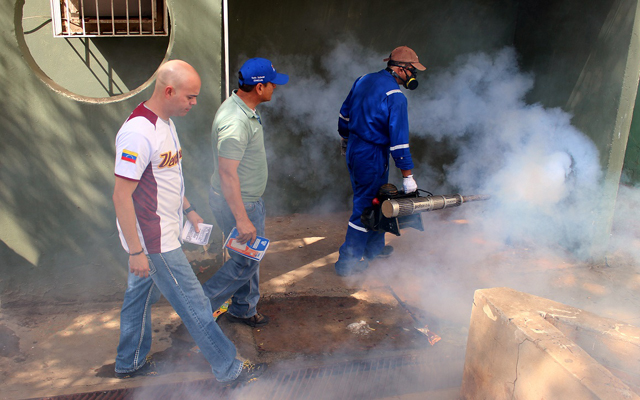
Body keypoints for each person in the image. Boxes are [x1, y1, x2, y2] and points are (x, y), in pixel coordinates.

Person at [112, 59, 265, 383]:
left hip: (163, 230)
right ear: (169, 91)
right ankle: (229, 369)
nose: (194, 104)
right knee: (195, 305)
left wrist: (188, 209)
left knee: (138, 298)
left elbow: (164, 178)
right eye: (190, 97)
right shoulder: (138, 133)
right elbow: (121, 196)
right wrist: (136, 252)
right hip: (154, 242)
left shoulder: (164, 121)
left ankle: (130, 362)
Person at [203, 58, 288, 328]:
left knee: (248, 255)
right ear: (260, 87)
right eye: (272, 83)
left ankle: (243, 308)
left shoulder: (241, 107)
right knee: (245, 262)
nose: (276, 87)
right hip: (239, 203)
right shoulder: (236, 121)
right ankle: (198, 307)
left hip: (243, 200)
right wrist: (242, 217)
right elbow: (228, 173)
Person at [334, 46, 426, 277]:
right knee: (365, 206)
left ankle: (374, 249)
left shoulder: (363, 79)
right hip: (372, 154)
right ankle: (348, 263)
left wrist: (346, 139)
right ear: (402, 69)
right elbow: (399, 142)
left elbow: (344, 114)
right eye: (413, 70)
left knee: (378, 200)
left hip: (356, 148)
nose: (414, 75)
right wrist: (408, 176)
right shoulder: (396, 97)